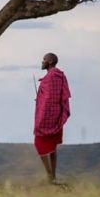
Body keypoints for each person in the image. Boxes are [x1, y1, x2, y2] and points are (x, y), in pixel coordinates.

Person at [34, 52, 70, 184]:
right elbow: (52, 96)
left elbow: (50, 99)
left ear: (49, 61)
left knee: (39, 144)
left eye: (43, 59)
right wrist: (39, 98)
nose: (42, 62)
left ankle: (50, 176)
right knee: (52, 147)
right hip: (57, 117)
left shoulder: (52, 76)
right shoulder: (59, 75)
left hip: (47, 117)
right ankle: (53, 177)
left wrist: (42, 107)